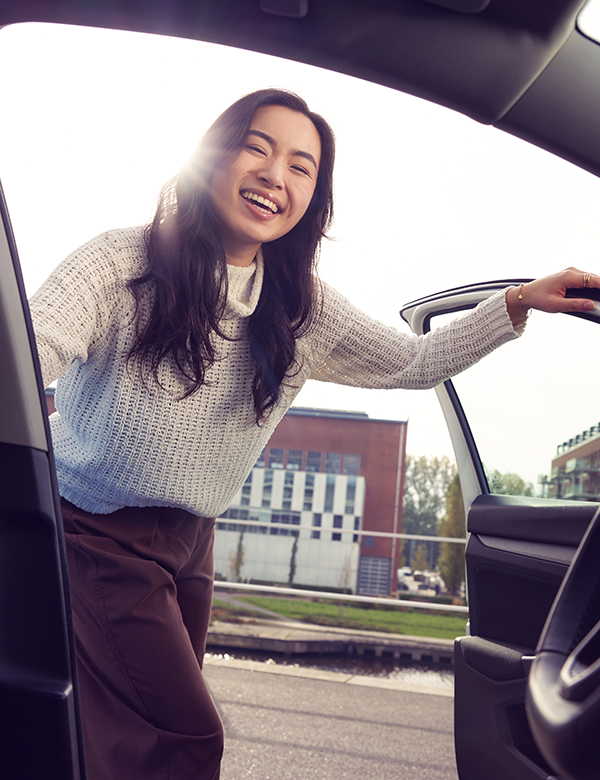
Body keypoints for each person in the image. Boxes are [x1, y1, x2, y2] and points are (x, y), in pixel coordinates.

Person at [29, 88, 600, 780]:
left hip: (191, 546)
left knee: (119, 735)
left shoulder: (302, 305)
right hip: (95, 533)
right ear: (211, 157)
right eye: (257, 148)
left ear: (313, 197)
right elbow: (29, 351)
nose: (276, 175)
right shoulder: (121, 264)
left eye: (302, 167)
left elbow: (414, 362)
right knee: (183, 738)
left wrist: (515, 303)